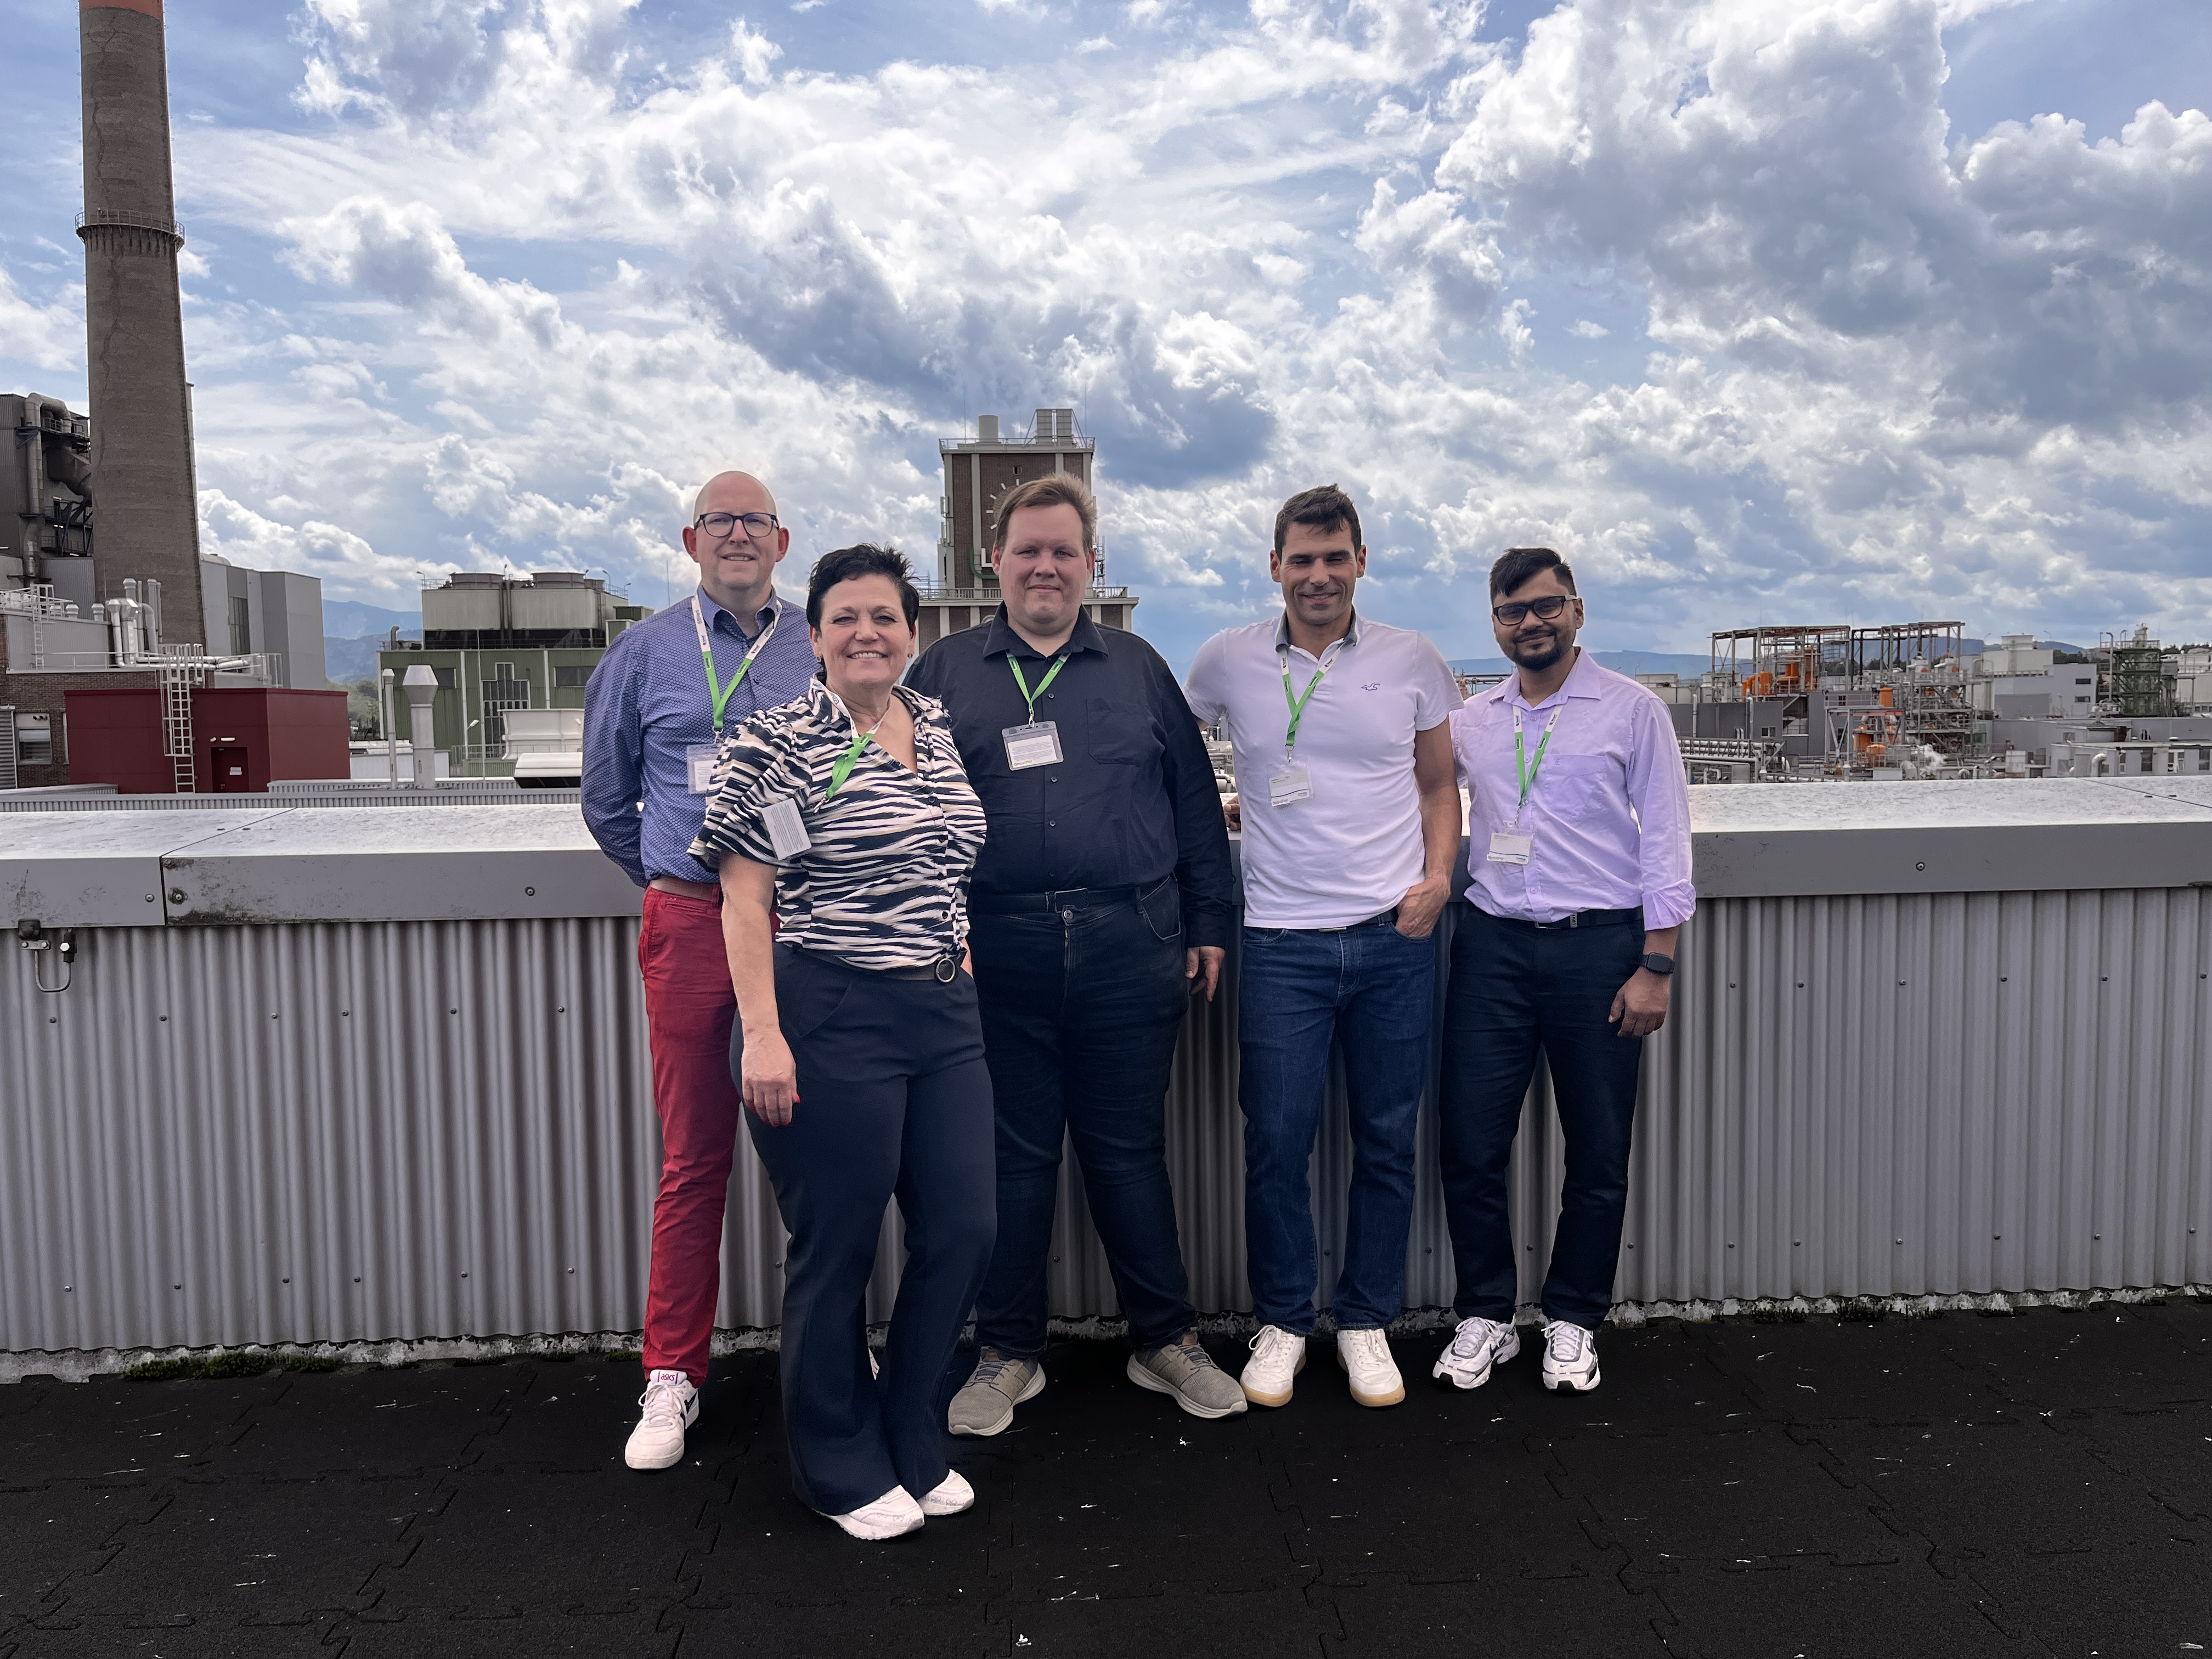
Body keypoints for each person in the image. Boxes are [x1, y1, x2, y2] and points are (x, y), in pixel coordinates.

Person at [906, 475, 1242, 1435]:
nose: (1045, 567)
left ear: (1090, 565)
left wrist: (1209, 924)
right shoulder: (942, 674)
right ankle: (1008, 1352)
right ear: (995, 563)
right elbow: (906, 812)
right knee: (1010, 1157)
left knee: (1127, 1150)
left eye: (1064, 551)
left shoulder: (1138, 668)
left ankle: (1165, 1340)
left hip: (1130, 945)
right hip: (993, 951)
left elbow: (1193, 805)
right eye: (1028, 550)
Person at [692, 543, 995, 1541]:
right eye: (845, 618)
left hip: (943, 1013)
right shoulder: (774, 742)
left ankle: (911, 1429)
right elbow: (746, 901)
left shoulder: (935, 724)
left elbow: (951, 862)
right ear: (815, 636)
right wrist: (763, 1037)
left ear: (912, 632)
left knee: (965, 1228)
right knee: (839, 1245)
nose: (868, 633)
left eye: (886, 617)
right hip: (831, 1011)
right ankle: (836, 1463)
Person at [1183, 483, 1462, 1412]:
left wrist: (1438, 880)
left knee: (1386, 1139)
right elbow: (1171, 762)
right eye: (1301, 559)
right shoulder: (1226, 660)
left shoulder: (1413, 659)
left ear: (1360, 562)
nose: (1318, 575)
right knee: (1276, 1143)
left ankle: (1365, 1321)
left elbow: (1438, 787)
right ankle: (1284, 1322)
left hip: (1393, 937)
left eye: (1335, 557)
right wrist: (1226, 808)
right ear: (1275, 567)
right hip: (1280, 944)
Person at [582, 471, 817, 1471]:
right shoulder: (643, 654)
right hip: (688, 922)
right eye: (719, 520)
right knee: (694, 1161)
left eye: (754, 520)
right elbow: (606, 801)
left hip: (806, 925)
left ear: (782, 540)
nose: (737, 534)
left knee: (822, 1149)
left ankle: (829, 1350)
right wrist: (685, 883)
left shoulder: (819, 642)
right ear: (691, 540)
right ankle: (672, 1372)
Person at [1432, 546, 1694, 1396]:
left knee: (1599, 1147)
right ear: (1495, 624)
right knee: (1470, 1143)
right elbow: (1405, 793)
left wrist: (1657, 964)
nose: (1532, 623)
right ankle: (1486, 1314)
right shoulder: (1474, 720)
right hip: (1493, 949)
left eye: (1547, 606)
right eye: (1513, 611)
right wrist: (1257, 810)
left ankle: (1574, 1317)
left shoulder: (1633, 711)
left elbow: (1666, 839)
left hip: (1599, 950)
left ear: (1577, 611)